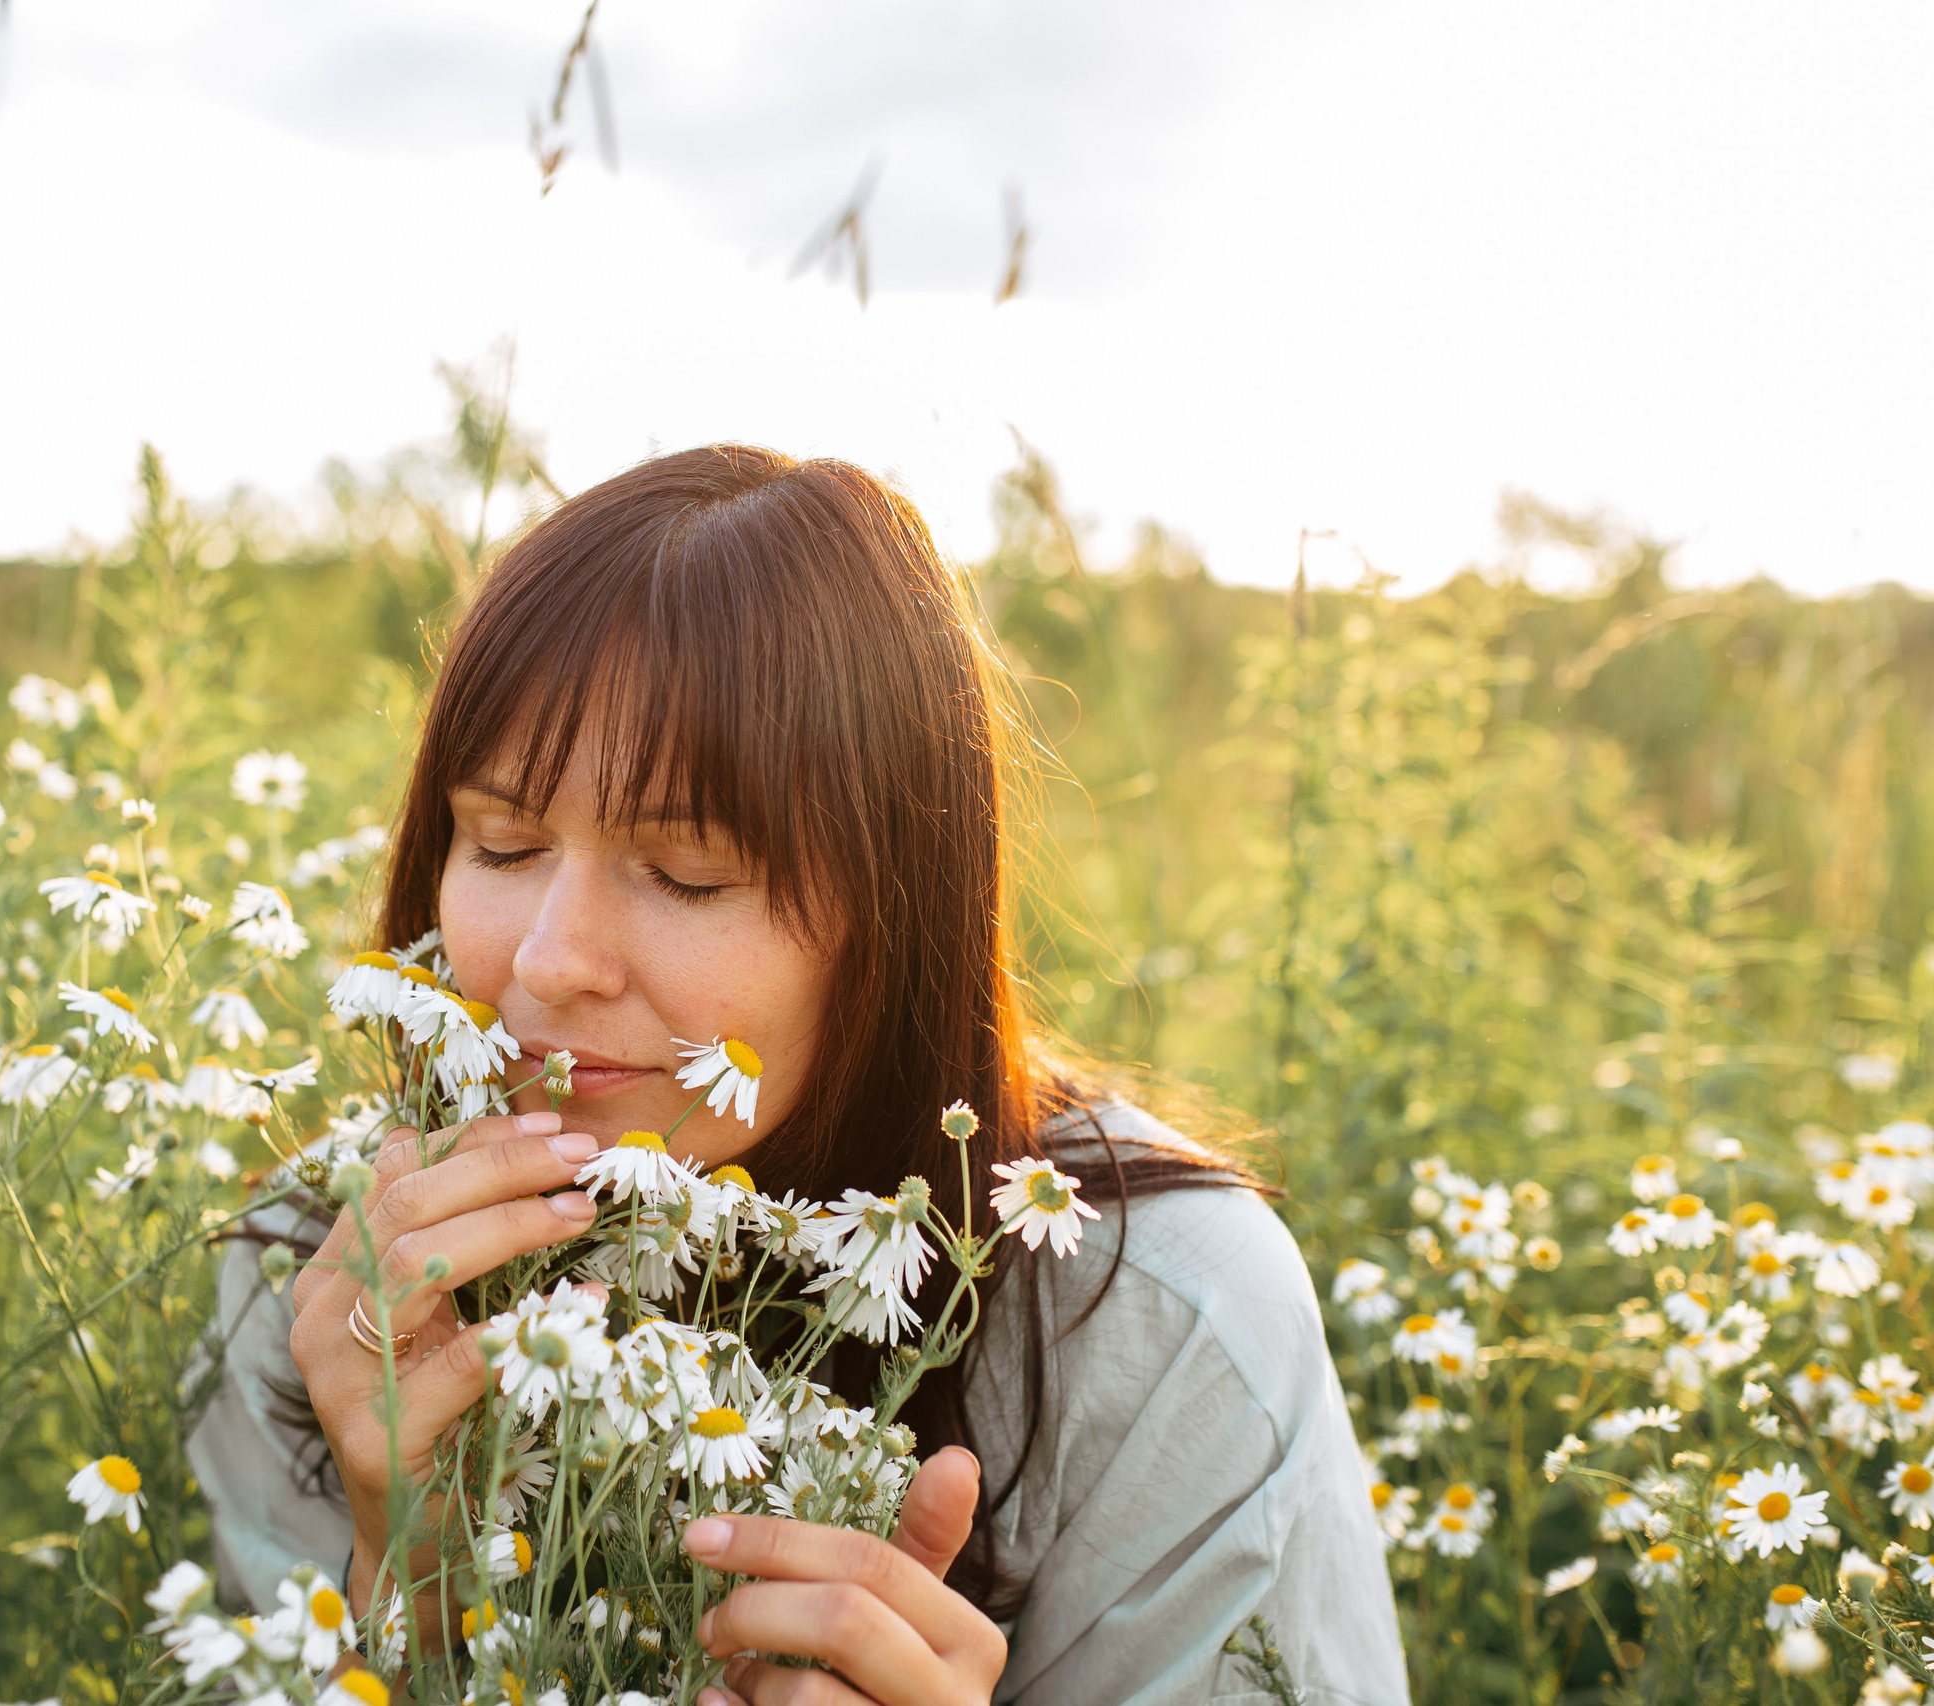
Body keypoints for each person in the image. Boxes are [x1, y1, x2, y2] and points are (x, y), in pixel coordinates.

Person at [187, 446, 1408, 1705]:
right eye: (501, 841)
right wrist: (408, 1592)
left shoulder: (1155, 1322)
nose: (552, 961)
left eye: (690, 874)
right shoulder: (329, 1267)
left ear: (894, 914)